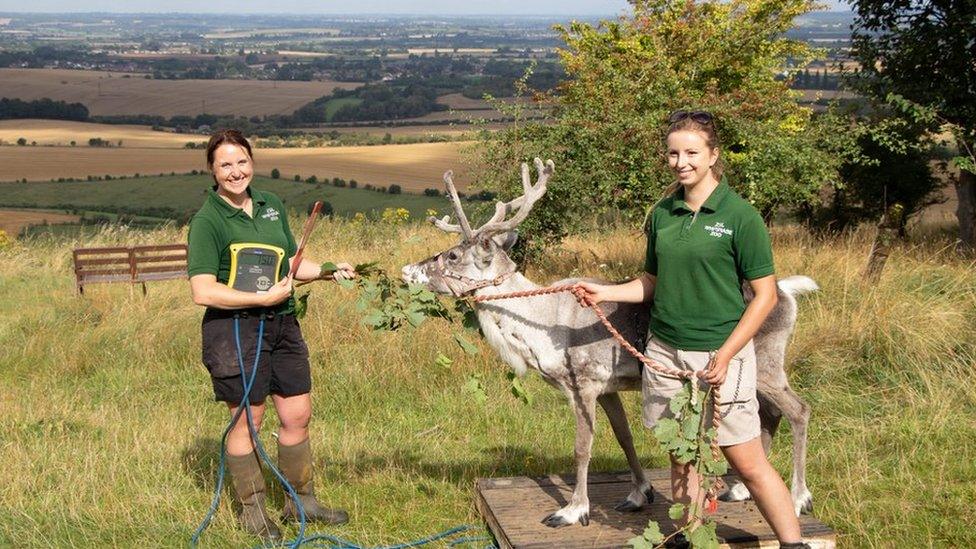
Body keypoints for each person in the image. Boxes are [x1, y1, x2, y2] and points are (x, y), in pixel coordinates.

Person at [575, 111, 809, 549]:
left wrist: (727, 354)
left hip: (722, 355)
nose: (680, 161)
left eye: (691, 152)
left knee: (747, 461)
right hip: (665, 354)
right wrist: (603, 290)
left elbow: (765, 296)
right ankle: (691, 535)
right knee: (682, 457)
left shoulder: (741, 217)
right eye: (673, 152)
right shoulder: (663, 213)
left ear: (713, 155)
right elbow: (651, 283)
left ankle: (792, 544)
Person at [187, 129, 355, 541]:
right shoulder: (207, 221)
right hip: (234, 331)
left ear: (252, 162)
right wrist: (259, 300)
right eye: (225, 164)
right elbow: (202, 290)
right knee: (249, 420)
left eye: (241, 161)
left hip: (283, 323)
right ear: (212, 170)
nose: (235, 171)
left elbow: (291, 263)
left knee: (297, 415)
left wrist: (332, 271)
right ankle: (254, 513)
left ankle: (304, 502)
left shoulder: (271, 205)